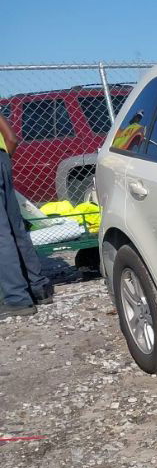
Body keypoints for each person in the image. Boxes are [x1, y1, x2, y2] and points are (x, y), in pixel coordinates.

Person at [0, 112, 52, 318]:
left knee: (2, 237)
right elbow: (11, 138)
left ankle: (17, 299)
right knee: (16, 228)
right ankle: (39, 288)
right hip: (3, 160)